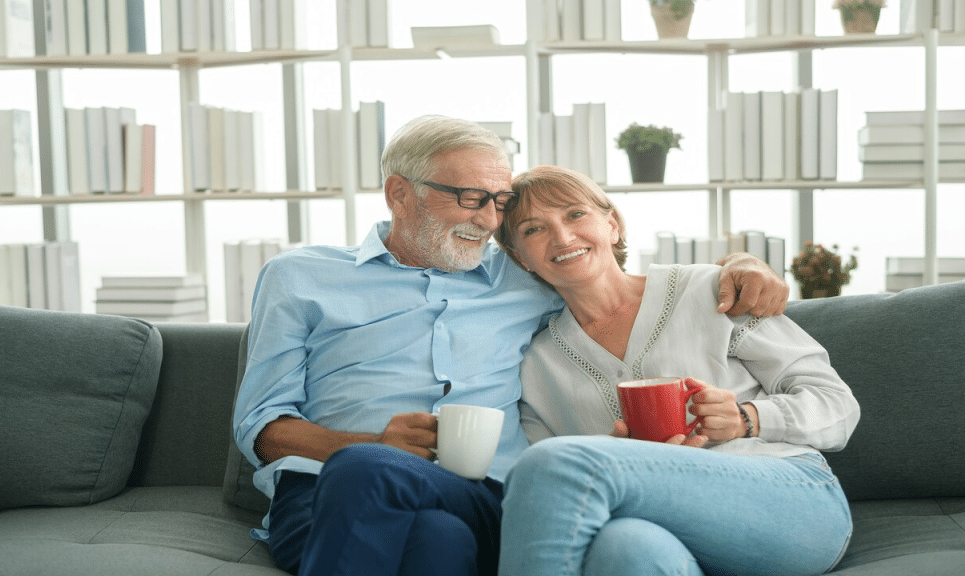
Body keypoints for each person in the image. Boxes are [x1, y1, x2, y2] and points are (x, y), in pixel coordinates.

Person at [232, 116, 790, 576]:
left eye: (499, 202)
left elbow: (617, 280)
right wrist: (370, 442)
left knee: (424, 510)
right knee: (425, 528)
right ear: (399, 193)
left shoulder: (524, 273)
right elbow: (261, 427)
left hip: (485, 494)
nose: (489, 221)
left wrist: (739, 266)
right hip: (329, 490)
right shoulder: (299, 276)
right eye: (471, 199)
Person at [492, 165, 860, 576]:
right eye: (533, 229)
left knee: (553, 463)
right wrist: (632, 458)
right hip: (657, 526)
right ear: (518, 257)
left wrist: (747, 419)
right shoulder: (537, 364)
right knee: (623, 548)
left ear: (612, 225)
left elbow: (837, 406)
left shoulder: (713, 292)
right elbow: (540, 496)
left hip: (787, 499)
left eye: (575, 214)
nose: (562, 237)